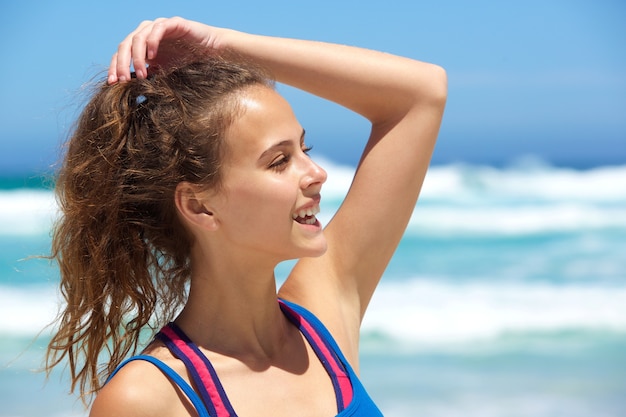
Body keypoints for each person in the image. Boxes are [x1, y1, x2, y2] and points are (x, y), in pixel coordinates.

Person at [45, 16, 447, 417]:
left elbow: (421, 92)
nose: (316, 173)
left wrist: (223, 45)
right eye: (279, 161)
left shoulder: (324, 320)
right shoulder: (150, 399)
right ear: (199, 206)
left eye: (304, 149)